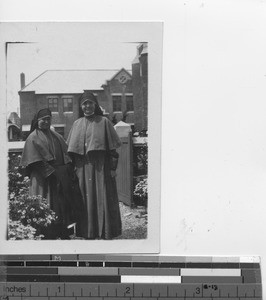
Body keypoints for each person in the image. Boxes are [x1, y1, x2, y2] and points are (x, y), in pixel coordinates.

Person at [20, 108, 85, 239]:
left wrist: (66, 169)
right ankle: (43, 231)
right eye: (43, 119)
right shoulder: (32, 137)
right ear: (37, 121)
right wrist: (53, 173)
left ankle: (59, 230)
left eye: (48, 119)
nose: (45, 121)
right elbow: (34, 161)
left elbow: (67, 156)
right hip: (42, 178)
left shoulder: (57, 136)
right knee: (45, 203)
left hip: (58, 178)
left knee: (58, 205)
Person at [67, 91, 122, 239]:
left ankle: (106, 230)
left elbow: (113, 150)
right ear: (81, 106)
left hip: (100, 168)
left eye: (90, 103)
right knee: (84, 200)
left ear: (95, 105)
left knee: (102, 197)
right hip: (82, 169)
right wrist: (72, 171)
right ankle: (87, 231)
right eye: (84, 103)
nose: (87, 106)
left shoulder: (103, 122)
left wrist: (112, 168)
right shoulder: (76, 124)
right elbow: (71, 153)